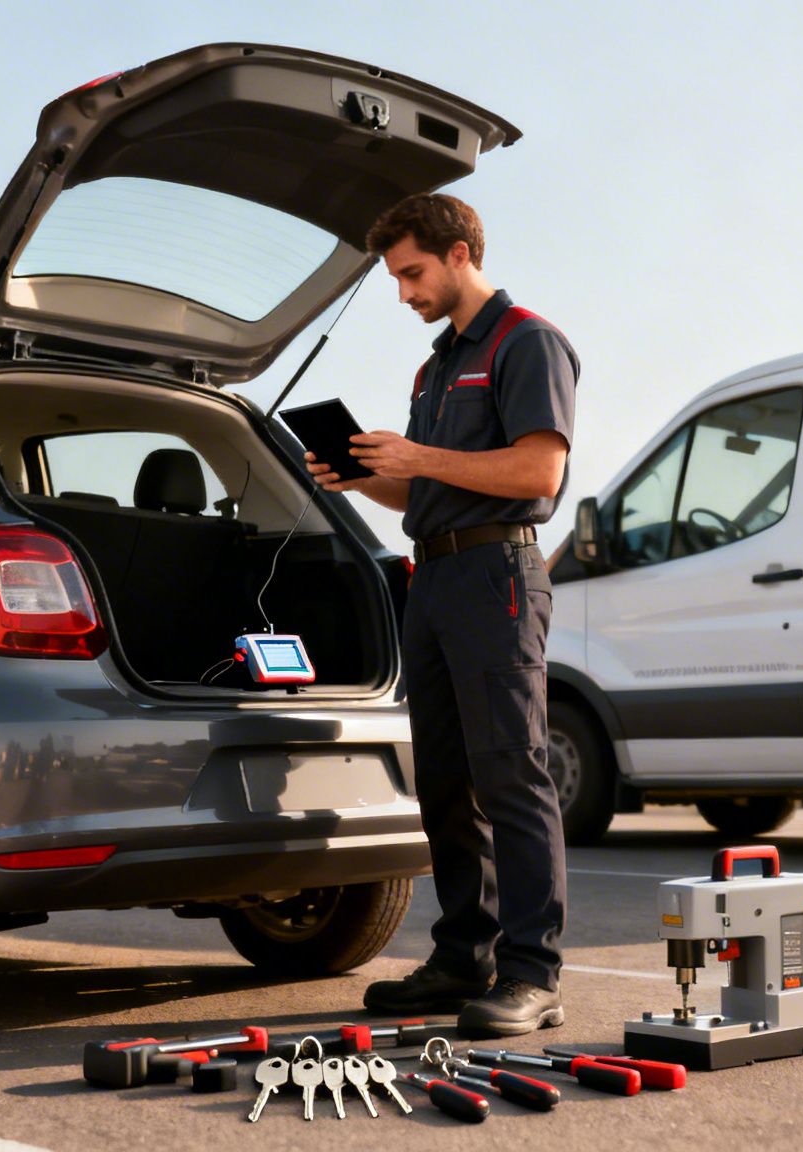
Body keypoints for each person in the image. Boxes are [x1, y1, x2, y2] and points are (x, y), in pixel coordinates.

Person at [305, 193, 578, 1037]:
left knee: (512, 775)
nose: (404, 292)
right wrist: (362, 475)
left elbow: (539, 474)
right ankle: (466, 955)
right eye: (396, 278)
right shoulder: (434, 368)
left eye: (413, 273)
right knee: (448, 783)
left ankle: (533, 974)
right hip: (434, 583)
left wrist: (418, 454)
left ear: (461, 254)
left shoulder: (527, 342)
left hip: (498, 575)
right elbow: (425, 490)